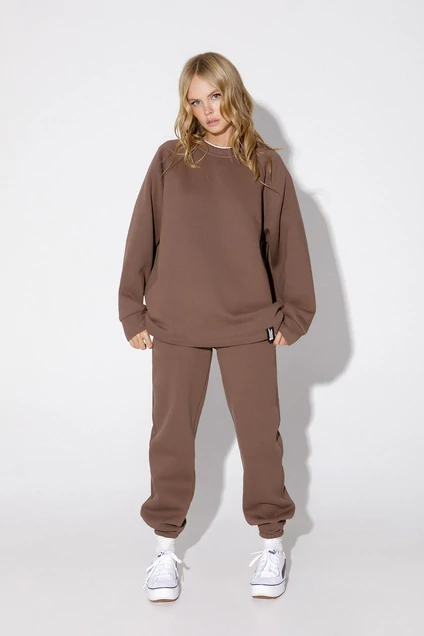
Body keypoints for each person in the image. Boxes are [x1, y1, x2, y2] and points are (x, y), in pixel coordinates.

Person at [118, 51, 316, 602]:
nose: (208, 109)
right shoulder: (169, 160)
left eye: (215, 95)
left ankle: (272, 545)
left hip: (248, 323)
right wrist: (132, 310)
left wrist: (294, 315)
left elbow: (289, 246)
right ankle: (165, 550)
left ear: (233, 93)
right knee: (170, 437)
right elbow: (142, 236)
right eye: (195, 101)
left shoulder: (265, 167)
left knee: (261, 436)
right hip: (175, 322)